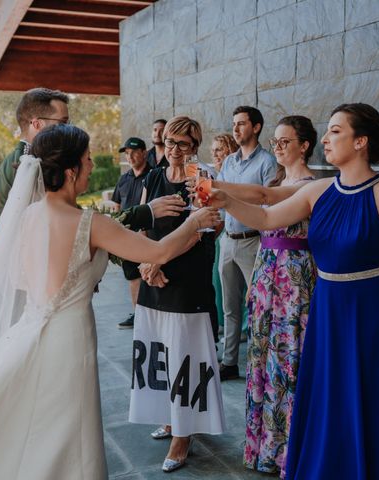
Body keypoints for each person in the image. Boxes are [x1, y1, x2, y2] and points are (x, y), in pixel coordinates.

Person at [0, 124, 220, 480]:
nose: (91, 166)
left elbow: (16, 279)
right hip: (68, 338)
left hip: (32, 326)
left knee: (34, 423)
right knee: (68, 427)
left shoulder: (25, 217)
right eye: (87, 160)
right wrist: (195, 220)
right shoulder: (90, 223)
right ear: (71, 171)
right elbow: (159, 250)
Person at [207, 103, 379, 478]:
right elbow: (265, 217)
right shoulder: (319, 191)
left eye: (336, 131)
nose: (325, 139)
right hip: (326, 310)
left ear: (361, 142)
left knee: (370, 398)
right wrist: (225, 200)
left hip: (371, 315)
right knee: (330, 397)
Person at [130, 116, 224, 473]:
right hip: (153, 276)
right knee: (160, 350)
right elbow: (141, 224)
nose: (174, 150)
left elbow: (205, 229)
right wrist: (144, 262)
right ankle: (170, 417)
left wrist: (159, 261)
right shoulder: (154, 177)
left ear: (195, 146)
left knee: (185, 355)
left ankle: (183, 435)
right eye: (170, 142)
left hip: (185, 279)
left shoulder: (201, 179)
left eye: (183, 144)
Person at [242, 116, 317, 478]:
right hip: (266, 272)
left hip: (293, 276)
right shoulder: (278, 180)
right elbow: (264, 234)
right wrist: (254, 280)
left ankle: (287, 450)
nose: (278, 147)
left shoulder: (310, 185)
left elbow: (266, 207)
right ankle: (262, 449)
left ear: (304, 145)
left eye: (286, 141)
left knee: (287, 358)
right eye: (275, 141)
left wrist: (220, 192)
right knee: (261, 356)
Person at [217, 106, 277, 381]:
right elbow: (219, 197)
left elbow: (270, 200)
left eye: (242, 124)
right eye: (234, 124)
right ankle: (229, 362)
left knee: (257, 307)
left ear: (256, 127)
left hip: (254, 243)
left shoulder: (267, 162)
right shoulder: (228, 162)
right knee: (229, 307)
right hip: (227, 241)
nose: (236, 129)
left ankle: (258, 364)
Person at [0, 87, 69, 220]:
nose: (68, 129)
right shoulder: (26, 162)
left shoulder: (24, 158)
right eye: (63, 123)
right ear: (37, 124)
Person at [111, 137, 151, 329]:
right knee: (133, 276)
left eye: (134, 151)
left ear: (144, 152)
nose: (130, 156)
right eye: (127, 153)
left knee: (149, 275)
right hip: (127, 237)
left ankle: (152, 315)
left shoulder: (154, 175)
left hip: (149, 238)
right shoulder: (124, 179)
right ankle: (138, 315)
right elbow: (117, 206)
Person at [209, 133, 239, 335]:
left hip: (238, 232)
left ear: (230, 149)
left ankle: (242, 327)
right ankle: (222, 322)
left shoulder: (232, 173)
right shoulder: (214, 173)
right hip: (221, 233)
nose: (215, 154)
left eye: (219, 149)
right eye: (213, 151)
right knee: (219, 284)